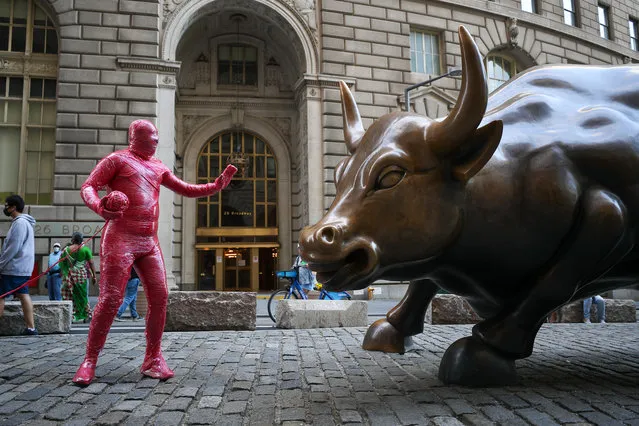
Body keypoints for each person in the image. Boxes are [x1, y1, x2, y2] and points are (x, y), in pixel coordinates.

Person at [73, 119, 237, 386]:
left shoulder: (158, 166)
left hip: (148, 241)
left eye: (157, 136)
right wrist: (100, 207)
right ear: (135, 137)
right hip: (120, 238)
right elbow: (88, 186)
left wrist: (216, 186)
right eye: (151, 136)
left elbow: (186, 189)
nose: (156, 140)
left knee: (160, 297)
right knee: (111, 299)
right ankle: (89, 360)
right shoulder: (116, 160)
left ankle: (153, 358)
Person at [0, 195, 38, 335]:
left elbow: (12, 247)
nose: (5, 208)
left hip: (13, 268)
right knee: (23, 294)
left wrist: (1, 265)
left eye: (6, 205)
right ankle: (31, 328)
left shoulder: (19, 223)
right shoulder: (25, 223)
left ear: (13, 207)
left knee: (1, 295)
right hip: (22, 268)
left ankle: (31, 327)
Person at [60, 232, 96, 323]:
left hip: (68, 276)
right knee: (82, 295)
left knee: (68, 295)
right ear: (81, 240)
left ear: (72, 240)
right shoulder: (85, 250)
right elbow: (91, 263)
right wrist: (94, 276)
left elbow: (62, 263)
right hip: (81, 276)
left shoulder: (66, 250)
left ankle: (70, 315)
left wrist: (64, 273)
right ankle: (87, 315)